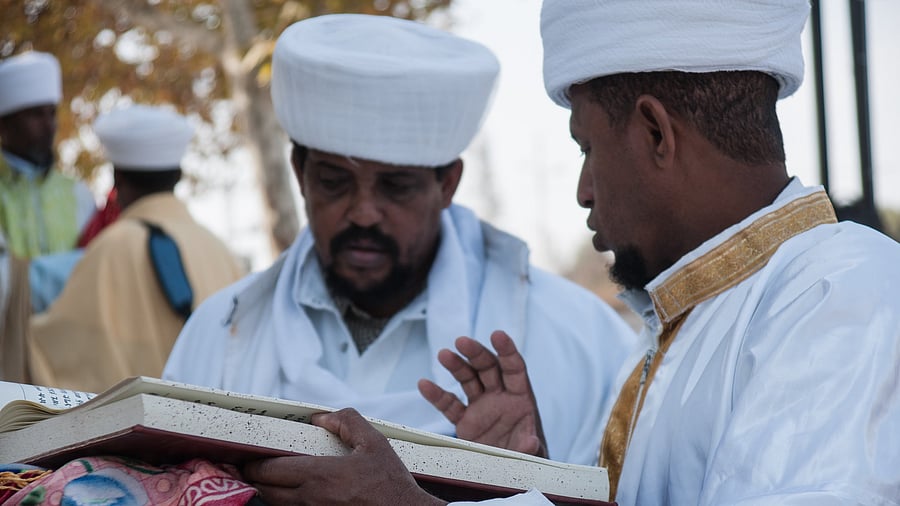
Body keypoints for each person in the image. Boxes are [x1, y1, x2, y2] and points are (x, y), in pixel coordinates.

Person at [234, 1, 900, 505]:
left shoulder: (839, 294)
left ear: (654, 132)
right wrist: (522, 481)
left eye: (587, 148)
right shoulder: (696, 324)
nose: (583, 191)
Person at [163, 13, 636, 466]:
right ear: (299, 175)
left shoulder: (580, 342)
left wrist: (526, 480)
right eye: (334, 181)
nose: (364, 212)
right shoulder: (220, 337)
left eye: (395, 185)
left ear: (446, 184)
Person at [28, 105, 245, 393]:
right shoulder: (222, 253)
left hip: (142, 436)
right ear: (177, 176)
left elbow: (55, 349)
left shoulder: (109, 250)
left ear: (117, 179)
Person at [0, 51, 96, 259]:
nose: (49, 126)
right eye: (35, 115)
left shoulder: (79, 195)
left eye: (51, 113)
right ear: (4, 124)